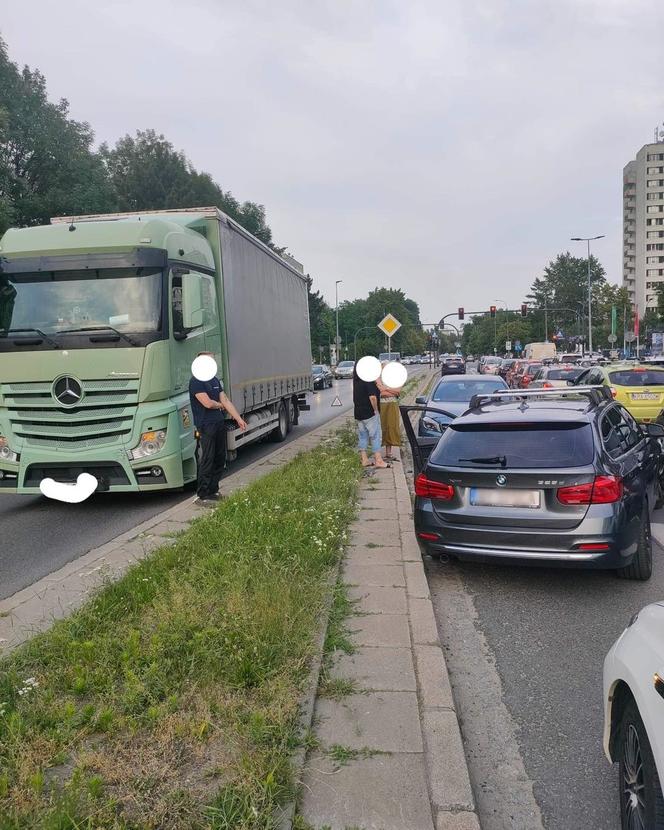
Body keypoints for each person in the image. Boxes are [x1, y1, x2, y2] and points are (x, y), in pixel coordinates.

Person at [189, 352, 247, 504]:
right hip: (206, 425)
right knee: (207, 458)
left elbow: (226, 400)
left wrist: (238, 418)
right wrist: (220, 405)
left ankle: (213, 490)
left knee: (220, 458)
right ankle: (203, 494)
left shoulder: (214, 380)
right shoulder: (196, 382)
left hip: (219, 423)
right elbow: (207, 403)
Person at [352, 363, 390, 469]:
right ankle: (378, 460)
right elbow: (372, 397)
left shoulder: (356, 380)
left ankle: (364, 459)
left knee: (363, 436)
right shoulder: (368, 380)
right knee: (375, 435)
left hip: (359, 413)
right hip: (369, 412)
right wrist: (376, 410)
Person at [377, 365, 403, 461]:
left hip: (392, 404)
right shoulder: (378, 379)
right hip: (382, 405)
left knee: (392, 426)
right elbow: (381, 393)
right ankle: (378, 453)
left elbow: (398, 391)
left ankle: (389, 452)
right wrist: (390, 390)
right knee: (383, 427)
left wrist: (385, 388)